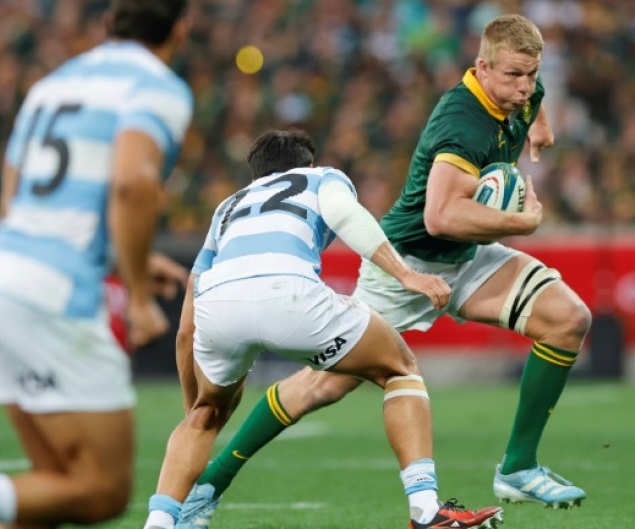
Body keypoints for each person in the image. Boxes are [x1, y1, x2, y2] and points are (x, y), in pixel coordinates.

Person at [178, 14, 591, 528]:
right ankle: (211, 483)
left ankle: (519, 467)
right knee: (322, 387)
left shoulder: (522, 86)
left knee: (568, 318)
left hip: (469, 259)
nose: (524, 87)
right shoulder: (460, 125)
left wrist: (539, 127)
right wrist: (521, 223)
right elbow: (440, 217)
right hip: (410, 261)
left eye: (531, 75)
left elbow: (534, 99)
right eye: (512, 76)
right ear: (481, 67)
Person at [0, 1, 193, 528]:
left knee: (52, 482)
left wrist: (123, 257)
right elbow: (133, 184)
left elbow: (15, 206)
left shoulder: (51, 85)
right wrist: (136, 295)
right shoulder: (157, 87)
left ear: (109, 24)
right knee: (102, 490)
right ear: (181, 29)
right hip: (52, 295)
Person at [144, 129, 504, 529]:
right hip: (289, 293)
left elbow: (186, 326)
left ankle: (159, 523)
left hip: (219, 305)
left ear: (254, 176)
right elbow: (347, 216)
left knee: (205, 415)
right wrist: (406, 275)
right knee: (399, 369)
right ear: (308, 163)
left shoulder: (227, 207)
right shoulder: (320, 178)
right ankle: (425, 510)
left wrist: (193, 412)